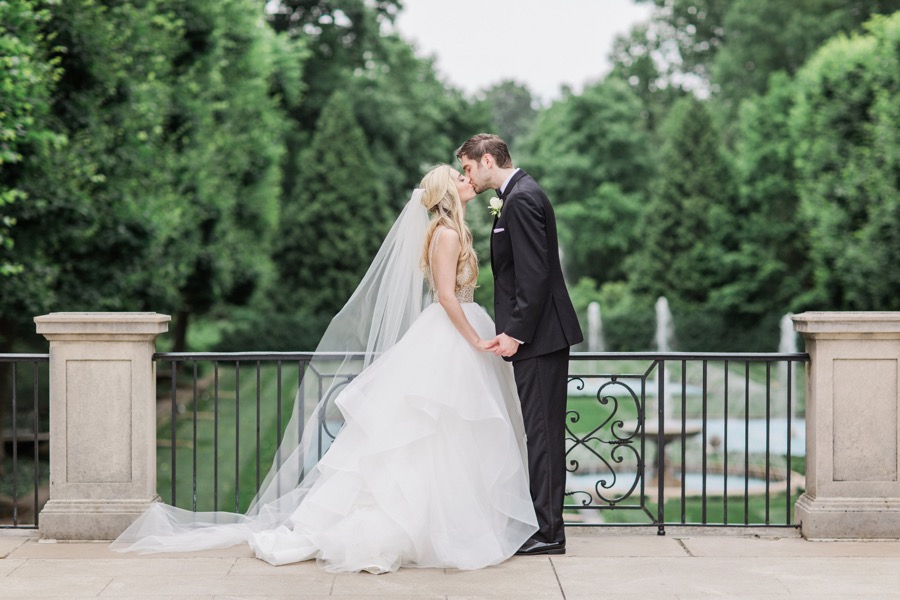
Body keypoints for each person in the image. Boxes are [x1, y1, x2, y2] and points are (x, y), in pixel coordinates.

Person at [111, 164, 538, 574]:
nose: (468, 181)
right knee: (430, 431)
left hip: (455, 331)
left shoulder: (453, 230)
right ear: (447, 193)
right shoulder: (445, 234)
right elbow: (447, 296)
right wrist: (475, 339)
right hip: (452, 333)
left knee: (451, 435)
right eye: (459, 177)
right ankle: (420, 529)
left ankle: (452, 521)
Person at [457, 134, 583, 556]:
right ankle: (545, 526)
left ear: (488, 160)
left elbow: (535, 275)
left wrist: (515, 333)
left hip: (540, 338)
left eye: (469, 168)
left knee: (544, 436)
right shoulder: (516, 196)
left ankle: (550, 533)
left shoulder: (522, 199)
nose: (468, 177)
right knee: (539, 434)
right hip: (539, 336)